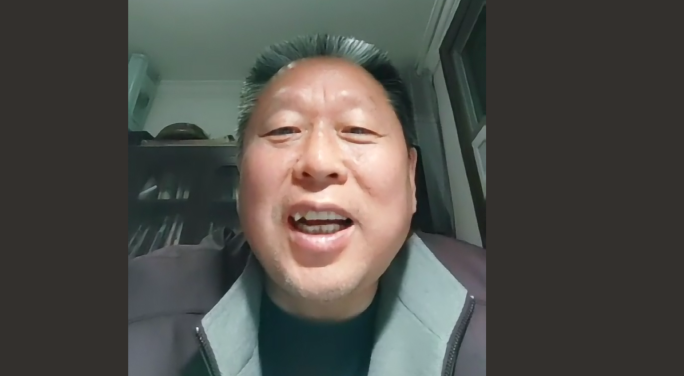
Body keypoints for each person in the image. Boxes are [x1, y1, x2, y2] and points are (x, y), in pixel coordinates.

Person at [128, 35, 486, 376]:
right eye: (283, 130)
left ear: (410, 176)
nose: (318, 161)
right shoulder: (139, 305)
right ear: (241, 177)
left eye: (358, 130)